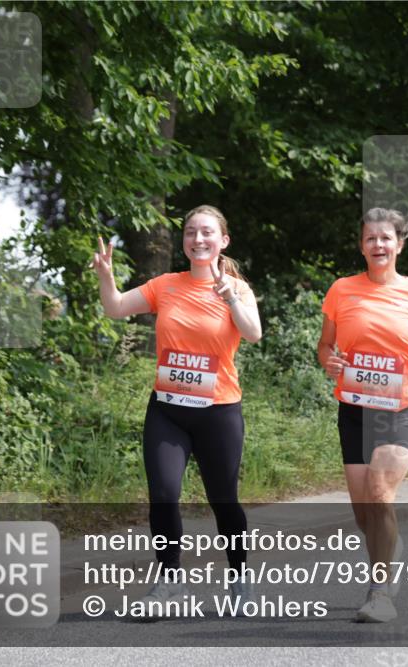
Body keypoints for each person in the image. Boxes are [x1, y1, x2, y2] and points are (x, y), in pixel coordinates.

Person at [92, 204, 262, 618]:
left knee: (224, 500)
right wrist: (105, 278)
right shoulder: (165, 285)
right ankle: (169, 581)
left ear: (223, 241)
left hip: (218, 410)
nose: (198, 239)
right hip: (168, 409)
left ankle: (239, 579)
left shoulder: (236, 289)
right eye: (190, 232)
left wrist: (229, 298)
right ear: (184, 241)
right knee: (164, 495)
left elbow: (254, 334)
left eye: (207, 232)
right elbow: (115, 308)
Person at [316, 207, 408, 623]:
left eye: (385, 238)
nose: (378, 245)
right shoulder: (341, 290)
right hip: (354, 407)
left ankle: (379, 594)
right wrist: (330, 363)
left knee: (379, 492)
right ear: (362, 245)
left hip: (401, 407)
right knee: (364, 515)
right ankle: (391, 546)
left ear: (400, 244)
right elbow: (325, 347)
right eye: (370, 238)